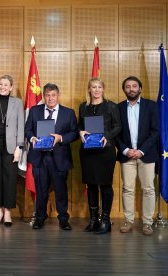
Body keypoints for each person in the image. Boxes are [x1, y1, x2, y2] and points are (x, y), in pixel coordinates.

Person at [25, 83, 78, 231]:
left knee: (61, 190)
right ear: (43, 96)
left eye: (53, 95)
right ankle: (40, 217)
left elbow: (74, 133)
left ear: (58, 96)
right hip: (39, 157)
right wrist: (32, 138)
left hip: (60, 157)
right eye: (47, 95)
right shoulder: (35, 111)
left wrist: (60, 138)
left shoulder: (68, 113)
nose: (50, 98)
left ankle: (63, 219)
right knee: (41, 190)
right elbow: (27, 129)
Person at [79, 78, 122, 234]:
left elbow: (118, 126)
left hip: (105, 151)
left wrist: (107, 135)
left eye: (99, 87)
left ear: (103, 89)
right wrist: (80, 132)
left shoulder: (111, 106)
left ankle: (105, 221)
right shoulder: (83, 107)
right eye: (93, 87)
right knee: (90, 185)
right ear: (89, 89)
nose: (96, 90)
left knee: (105, 185)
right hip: (87, 151)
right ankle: (93, 220)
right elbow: (79, 125)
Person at [117, 76, 159, 236]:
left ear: (140, 88)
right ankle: (128, 221)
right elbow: (116, 133)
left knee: (148, 189)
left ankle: (147, 223)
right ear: (124, 90)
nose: (131, 89)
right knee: (127, 189)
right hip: (126, 155)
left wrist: (141, 150)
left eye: (134, 86)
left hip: (146, 155)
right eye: (127, 86)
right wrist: (126, 150)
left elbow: (155, 131)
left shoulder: (151, 106)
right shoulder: (119, 108)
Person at [0, 75, 24, 227]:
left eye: (6, 84)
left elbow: (20, 125)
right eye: (0, 84)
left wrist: (19, 147)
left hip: (11, 145)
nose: (3, 87)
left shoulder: (18, 102)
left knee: (10, 179)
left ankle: (7, 211)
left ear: (11, 87)